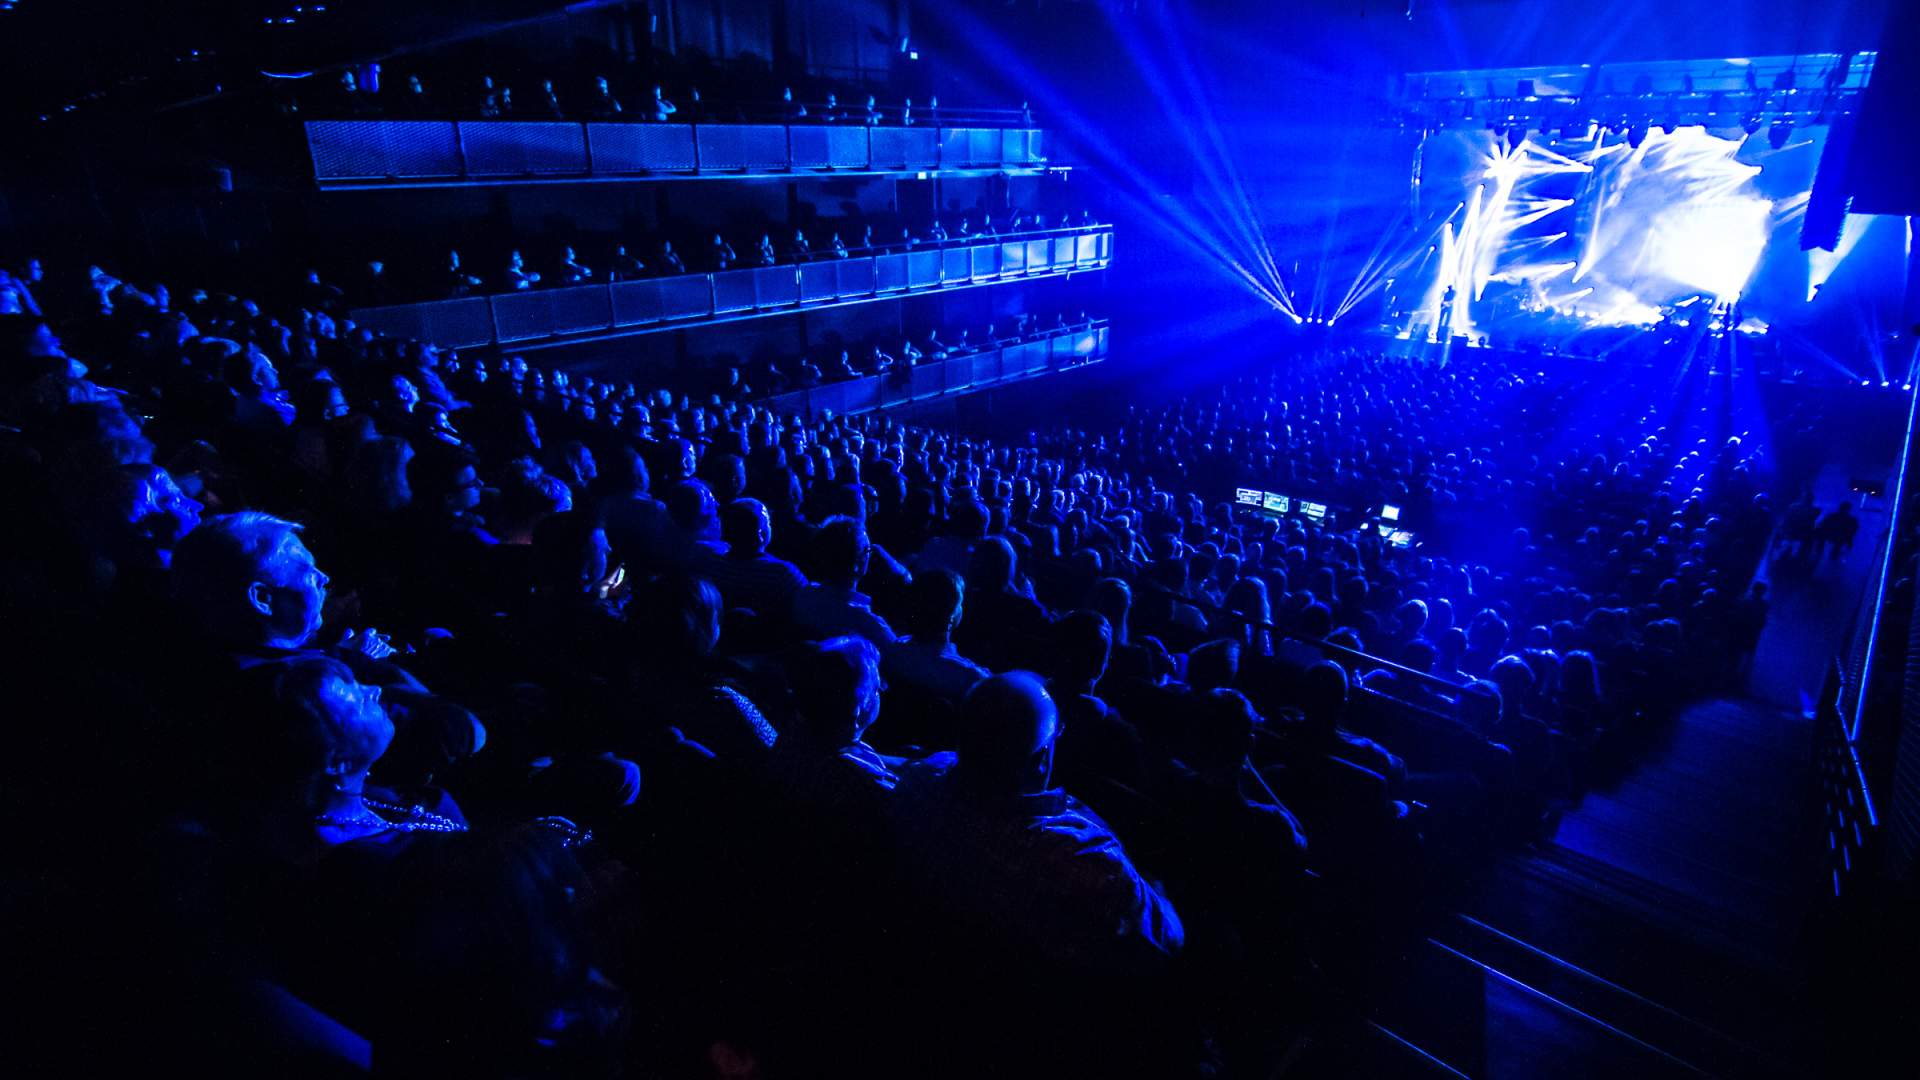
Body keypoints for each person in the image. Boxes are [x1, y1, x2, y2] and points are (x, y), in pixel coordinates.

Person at [792, 516, 897, 646]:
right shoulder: (868, 623)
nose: (870, 556)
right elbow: (897, 654)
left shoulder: (804, 595)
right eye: (867, 550)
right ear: (855, 564)